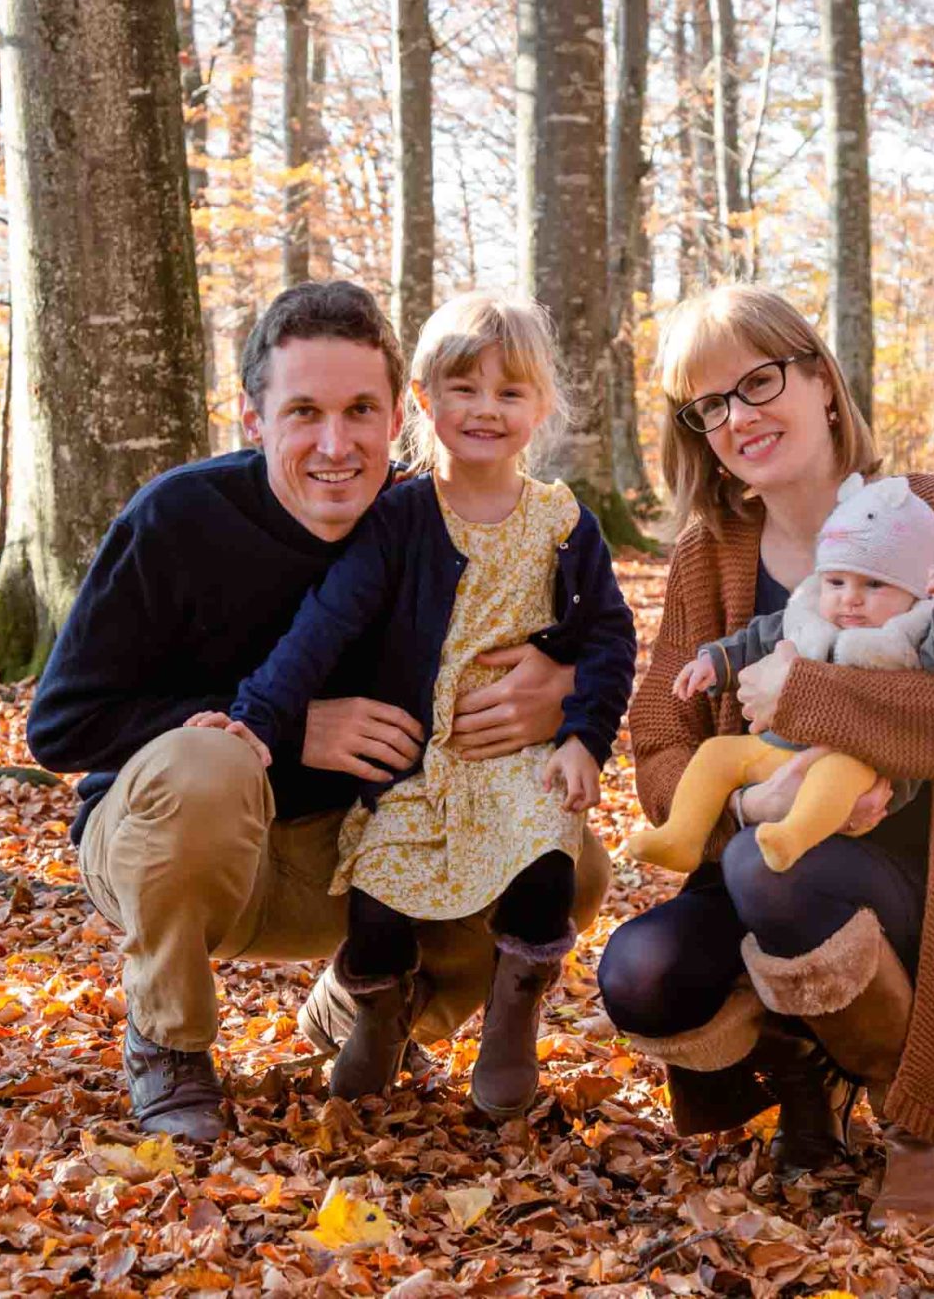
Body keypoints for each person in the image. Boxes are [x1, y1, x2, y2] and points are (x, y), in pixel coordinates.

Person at [26, 280, 614, 1143]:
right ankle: (168, 1043)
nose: (335, 445)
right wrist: (295, 729)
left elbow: (569, 628)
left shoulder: (431, 518)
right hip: (186, 854)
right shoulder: (181, 520)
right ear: (252, 416)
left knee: (571, 862)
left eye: (359, 412)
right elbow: (62, 727)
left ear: (395, 417)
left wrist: (560, 690)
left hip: (358, 853)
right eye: (303, 412)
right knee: (211, 761)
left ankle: (369, 1004)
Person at [595, 284, 934, 1237]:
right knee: (642, 972)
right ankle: (803, 1079)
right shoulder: (707, 555)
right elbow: (660, 731)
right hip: (761, 842)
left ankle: (925, 1130)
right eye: (709, 405)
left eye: (758, 382)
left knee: (775, 874)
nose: (739, 417)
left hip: (931, 873)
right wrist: (756, 789)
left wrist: (809, 702)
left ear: (821, 381)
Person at [208, 292, 636, 1117]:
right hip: (416, 759)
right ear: (425, 402)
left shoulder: (562, 523)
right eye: (463, 389)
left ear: (541, 407)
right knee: (379, 892)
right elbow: (325, 624)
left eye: (509, 393)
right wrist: (260, 716)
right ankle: (378, 1011)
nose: (485, 410)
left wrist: (585, 738)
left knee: (547, 862)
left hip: (517, 757)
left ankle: (514, 1012)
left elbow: (611, 641)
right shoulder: (399, 516)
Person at [623, 470, 934, 875]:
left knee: (835, 776)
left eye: (874, 586)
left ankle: (791, 835)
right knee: (716, 754)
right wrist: (712, 663)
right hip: (776, 750)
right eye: (836, 581)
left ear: (913, 591)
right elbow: (754, 640)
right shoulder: (808, 614)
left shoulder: (910, 631)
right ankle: (682, 836)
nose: (850, 599)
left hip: (862, 765)